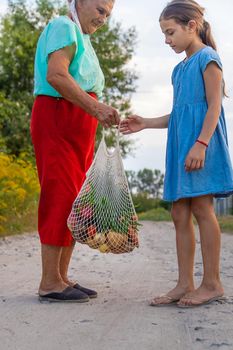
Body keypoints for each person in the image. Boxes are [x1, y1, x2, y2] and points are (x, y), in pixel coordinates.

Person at [120, 0, 233, 307]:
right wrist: (146, 123)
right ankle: (185, 283)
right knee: (179, 211)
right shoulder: (178, 69)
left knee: (201, 209)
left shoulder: (208, 59)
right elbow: (179, 114)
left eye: (170, 32)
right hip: (181, 146)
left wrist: (201, 144)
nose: (167, 40)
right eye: (164, 34)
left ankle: (212, 283)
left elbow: (213, 107)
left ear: (191, 26)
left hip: (201, 145)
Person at [30, 0, 120, 302]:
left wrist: (99, 113)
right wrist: (96, 107)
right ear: (79, 2)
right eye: (99, 9)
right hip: (58, 117)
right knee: (61, 193)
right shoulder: (63, 25)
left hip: (79, 124)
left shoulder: (84, 38)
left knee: (75, 199)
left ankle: (62, 277)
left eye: (108, 13)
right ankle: (49, 282)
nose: (103, 18)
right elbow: (56, 75)